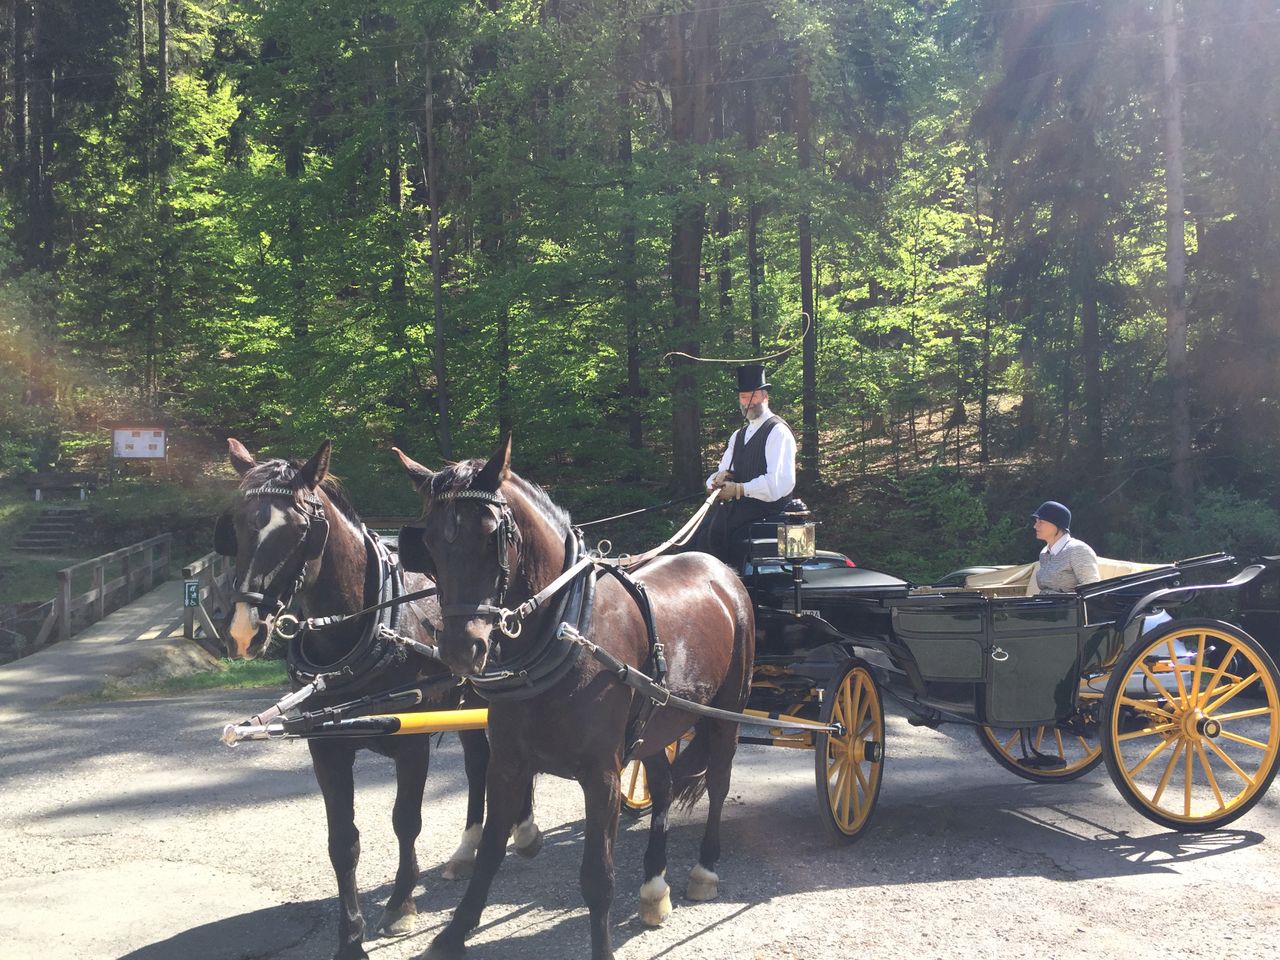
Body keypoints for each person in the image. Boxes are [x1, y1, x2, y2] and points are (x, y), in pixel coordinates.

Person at [692, 364, 797, 563]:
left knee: (714, 534)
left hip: (768, 510)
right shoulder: (738, 436)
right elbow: (724, 469)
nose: (748, 402)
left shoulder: (778, 432)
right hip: (738, 509)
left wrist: (739, 489)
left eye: (753, 396)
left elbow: (778, 484)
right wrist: (717, 480)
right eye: (743, 397)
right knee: (697, 532)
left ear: (765, 396)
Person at [1031, 500, 1100, 592]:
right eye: (1036, 521)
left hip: (1068, 606)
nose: (1035, 526)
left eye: (1041, 522)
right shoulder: (1044, 553)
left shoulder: (1078, 550)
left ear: (1057, 524)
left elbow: (1092, 591)